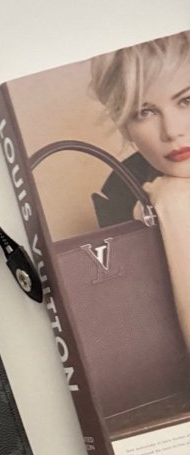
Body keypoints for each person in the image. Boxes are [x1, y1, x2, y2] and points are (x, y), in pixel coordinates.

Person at [89, 31, 190, 350]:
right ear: (125, 126)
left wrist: (175, 204)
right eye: (144, 112)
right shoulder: (126, 198)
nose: (172, 131)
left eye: (187, 101)